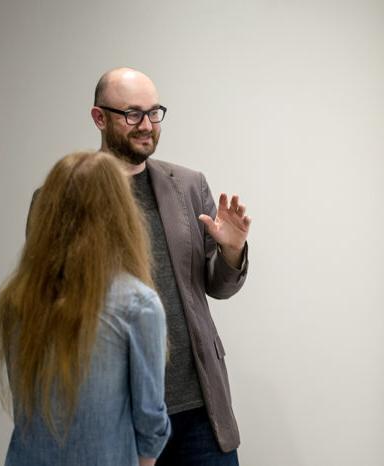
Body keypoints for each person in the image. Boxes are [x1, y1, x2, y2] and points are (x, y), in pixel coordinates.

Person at [89, 67, 251, 465]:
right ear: (99, 117)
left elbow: (217, 285)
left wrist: (231, 252)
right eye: (132, 114)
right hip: (115, 408)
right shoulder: (68, 195)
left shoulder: (189, 185)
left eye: (154, 112)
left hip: (197, 406)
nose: (146, 125)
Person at [0, 151, 170, 466]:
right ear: (120, 212)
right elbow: (150, 419)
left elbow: (27, 407)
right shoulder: (137, 304)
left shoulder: (16, 298)